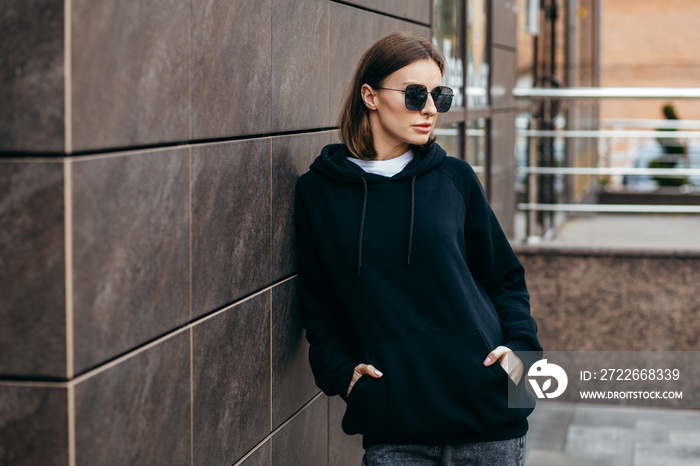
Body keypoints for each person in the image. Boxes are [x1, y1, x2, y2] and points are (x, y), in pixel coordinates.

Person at [294, 31, 543, 465]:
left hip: (490, 414)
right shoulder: (319, 192)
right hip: (394, 423)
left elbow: (505, 278)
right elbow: (319, 303)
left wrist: (520, 354)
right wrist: (342, 375)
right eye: (414, 94)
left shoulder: (454, 178)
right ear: (369, 95)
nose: (429, 109)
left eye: (438, 96)